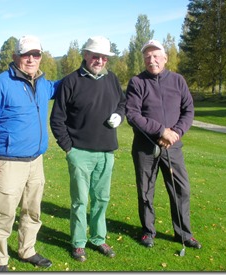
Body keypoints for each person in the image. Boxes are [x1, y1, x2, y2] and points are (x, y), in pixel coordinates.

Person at [0, 35, 60, 271]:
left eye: (36, 54)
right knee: (4, 213)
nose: (32, 59)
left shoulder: (44, 84)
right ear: (16, 57)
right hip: (8, 162)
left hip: (36, 160)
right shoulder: (0, 84)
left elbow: (64, 86)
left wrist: (84, 73)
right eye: (26, 54)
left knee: (32, 211)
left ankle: (27, 250)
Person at [50, 36, 126, 262]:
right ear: (85, 55)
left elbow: (122, 103)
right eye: (96, 56)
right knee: (80, 201)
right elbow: (57, 119)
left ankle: (98, 238)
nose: (100, 60)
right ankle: (79, 242)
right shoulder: (71, 81)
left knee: (102, 198)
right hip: (79, 152)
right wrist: (69, 149)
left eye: (104, 57)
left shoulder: (112, 79)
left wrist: (119, 116)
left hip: (106, 151)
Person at [125, 39, 202, 249]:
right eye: (148, 57)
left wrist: (175, 133)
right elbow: (132, 114)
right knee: (145, 191)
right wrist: (161, 131)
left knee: (181, 190)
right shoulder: (137, 82)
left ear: (165, 58)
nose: (152, 60)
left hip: (173, 147)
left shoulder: (178, 80)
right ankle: (148, 231)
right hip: (145, 148)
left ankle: (184, 233)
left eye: (156, 55)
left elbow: (188, 111)